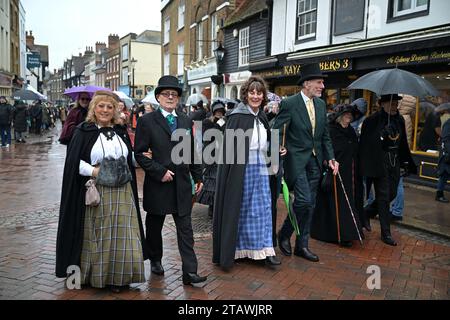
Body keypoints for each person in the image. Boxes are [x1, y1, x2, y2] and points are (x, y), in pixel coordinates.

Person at [55, 91, 147, 293]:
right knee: (101, 236)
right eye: (101, 106)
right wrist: (94, 171)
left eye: (109, 107)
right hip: (98, 191)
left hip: (123, 191)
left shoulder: (121, 131)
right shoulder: (83, 131)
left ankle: (120, 277)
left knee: (124, 235)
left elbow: (127, 159)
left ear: (115, 110)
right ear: (93, 109)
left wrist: (139, 158)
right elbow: (73, 162)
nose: (105, 110)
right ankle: (99, 277)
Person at [134, 75, 207, 286]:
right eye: (165, 94)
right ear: (158, 97)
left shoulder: (185, 120)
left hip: (182, 184)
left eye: (174, 94)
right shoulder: (147, 121)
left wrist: (198, 176)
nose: (170, 97)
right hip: (159, 184)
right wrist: (159, 171)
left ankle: (190, 272)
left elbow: (192, 151)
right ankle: (156, 259)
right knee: (154, 226)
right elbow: (139, 154)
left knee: (185, 229)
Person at [213, 76, 283, 270]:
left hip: (261, 166)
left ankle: (265, 250)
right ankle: (236, 250)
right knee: (240, 209)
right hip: (240, 169)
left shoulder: (261, 117)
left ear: (263, 95)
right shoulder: (237, 117)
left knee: (262, 209)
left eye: (259, 93)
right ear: (245, 94)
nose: (255, 96)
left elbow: (265, 142)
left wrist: (276, 149)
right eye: (251, 92)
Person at [273, 63, 338, 262]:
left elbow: (325, 136)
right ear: (307, 83)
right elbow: (276, 131)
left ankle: (302, 245)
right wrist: (278, 148)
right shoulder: (290, 103)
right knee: (304, 201)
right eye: (319, 82)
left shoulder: (320, 105)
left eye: (322, 83)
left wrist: (331, 158)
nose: (322, 86)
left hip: (316, 161)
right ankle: (284, 233)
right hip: (296, 161)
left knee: (310, 205)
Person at [360, 94, 417, 246]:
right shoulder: (372, 120)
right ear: (382, 104)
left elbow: (403, 142)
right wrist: (381, 135)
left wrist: (406, 162)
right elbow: (366, 143)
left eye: (396, 103)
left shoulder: (399, 120)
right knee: (384, 197)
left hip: (395, 162)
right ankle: (386, 233)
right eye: (391, 103)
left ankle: (367, 212)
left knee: (392, 193)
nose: (394, 106)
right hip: (379, 162)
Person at [311, 104, 363, 247]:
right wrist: (328, 162)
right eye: (346, 115)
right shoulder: (331, 130)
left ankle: (348, 232)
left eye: (350, 115)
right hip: (335, 172)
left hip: (350, 173)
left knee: (347, 202)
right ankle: (337, 234)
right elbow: (325, 149)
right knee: (335, 203)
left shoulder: (351, 131)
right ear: (340, 116)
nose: (349, 117)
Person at [197, 100, 226, 217]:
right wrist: (216, 125)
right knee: (211, 182)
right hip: (211, 155)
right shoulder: (207, 122)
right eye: (217, 111)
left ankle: (218, 205)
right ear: (213, 111)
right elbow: (207, 137)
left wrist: (221, 124)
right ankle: (211, 207)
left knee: (220, 181)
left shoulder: (225, 122)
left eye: (221, 112)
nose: (219, 114)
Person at [435, 103, 450, 203]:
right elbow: (445, 139)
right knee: (443, 175)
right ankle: (439, 195)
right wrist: (447, 152)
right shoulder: (448, 123)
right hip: (447, 153)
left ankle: (439, 194)